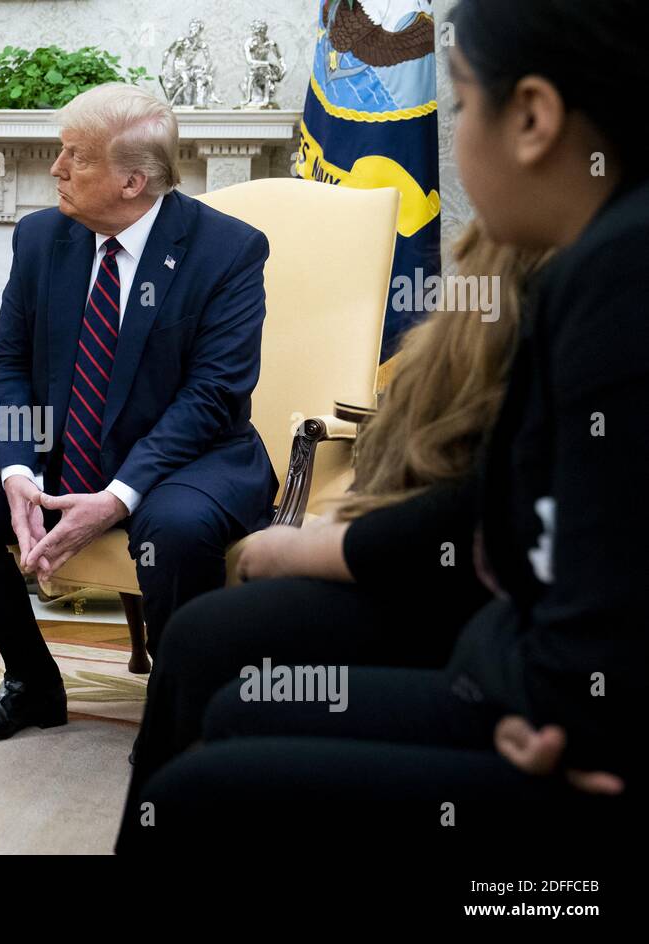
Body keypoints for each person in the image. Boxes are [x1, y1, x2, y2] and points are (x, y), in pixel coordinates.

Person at [117, 0, 648, 848]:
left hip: (544, 706)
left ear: (536, 118)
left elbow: (553, 580)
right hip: (515, 659)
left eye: (464, 101)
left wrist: (536, 694)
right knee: (230, 683)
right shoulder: (593, 262)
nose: (456, 134)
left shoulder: (615, 279)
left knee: (201, 789)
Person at [0, 83, 278, 743]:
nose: (56, 169)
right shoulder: (42, 238)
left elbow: (213, 394)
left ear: (132, 180)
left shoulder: (229, 252)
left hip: (190, 458)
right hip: (61, 449)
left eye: (74, 156)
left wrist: (116, 498)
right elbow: (10, 364)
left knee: (178, 528)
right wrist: (18, 470)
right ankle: (31, 681)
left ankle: (181, 709)